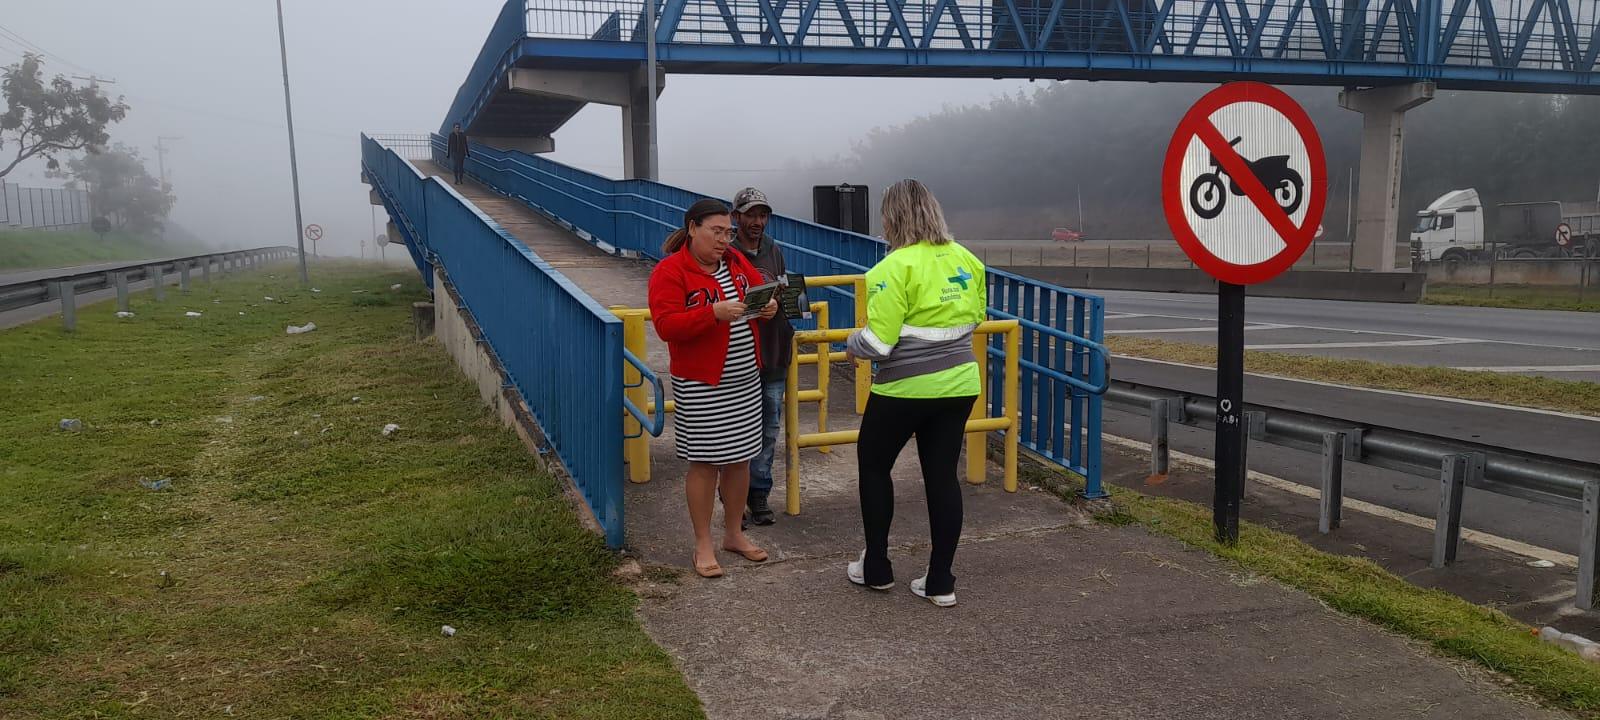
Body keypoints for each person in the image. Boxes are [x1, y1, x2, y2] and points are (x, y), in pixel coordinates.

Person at [843, 179, 987, 608]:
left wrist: (851, 344)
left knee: (873, 465)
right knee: (942, 476)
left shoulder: (890, 268)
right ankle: (941, 580)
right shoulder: (967, 259)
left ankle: (877, 569)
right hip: (960, 383)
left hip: (905, 388)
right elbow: (975, 318)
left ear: (892, 217)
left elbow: (879, 343)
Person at [648, 198, 780, 578]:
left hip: (743, 379)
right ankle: (703, 543)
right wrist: (712, 313)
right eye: (716, 231)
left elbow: (760, 291)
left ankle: (734, 534)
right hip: (702, 382)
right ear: (693, 227)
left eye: (728, 232)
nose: (724, 239)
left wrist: (767, 306)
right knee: (705, 463)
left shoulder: (736, 263)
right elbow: (666, 325)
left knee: (741, 458)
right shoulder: (670, 272)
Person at [730, 187, 792, 527]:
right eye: (750, 214)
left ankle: (759, 493)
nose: (757, 222)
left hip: (774, 350)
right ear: (736, 216)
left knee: (769, 427)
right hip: (741, 353)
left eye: (762, 215)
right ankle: (734, 501)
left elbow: (784, 290)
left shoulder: (774, 250)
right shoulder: (728, 253)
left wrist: (784, 300)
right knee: (737, 428)